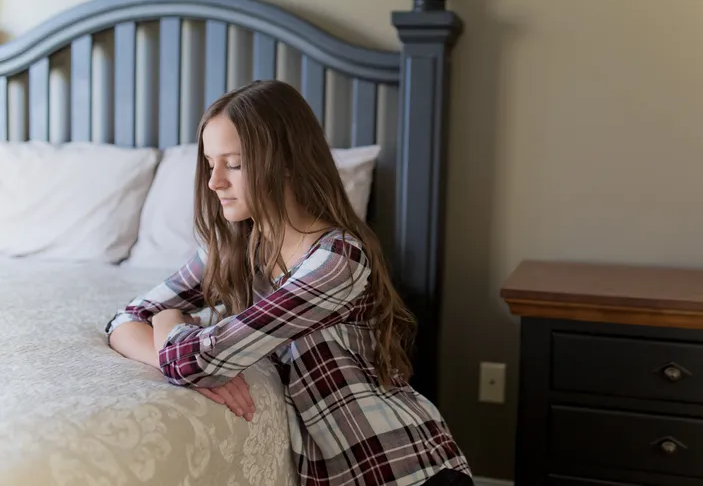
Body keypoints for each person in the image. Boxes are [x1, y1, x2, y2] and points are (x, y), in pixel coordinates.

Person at [105, 80, 473, 486]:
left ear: (285, 161)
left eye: (235, 164)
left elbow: (196, 360)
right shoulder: (231, 250)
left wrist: (170, 320)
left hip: (404, 469)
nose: (215, 183)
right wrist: (171, 346)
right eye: (211, 163)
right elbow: (125, 321)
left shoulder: (337, 260)